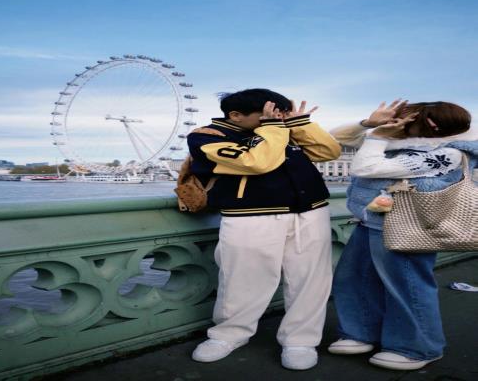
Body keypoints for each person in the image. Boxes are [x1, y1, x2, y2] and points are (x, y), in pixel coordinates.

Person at [187, 88, 341, 370]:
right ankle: (228, 335)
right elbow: (258, 162)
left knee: (311, 280)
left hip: (312, 212)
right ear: (236, 115)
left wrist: (300, 124)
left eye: (281, 114)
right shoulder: (206, 137)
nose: (277, 119)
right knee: (242, 279)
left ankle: (301, 340)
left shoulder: (282, 128)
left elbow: (329, 151)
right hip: (250, 216)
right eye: (269, 114)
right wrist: (273, 128)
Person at [328, 100, 478, 370]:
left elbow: (365, 168)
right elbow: (334, 139)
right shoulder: (397, 140)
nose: (396, 123)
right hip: (369, 220)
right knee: (355, 280)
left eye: (405, 119)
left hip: (408, 227)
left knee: (408, 286)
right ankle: (361, 332)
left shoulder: (449, 154)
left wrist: (377, 136)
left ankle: (418, 347)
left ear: (423, 125)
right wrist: (369, 124)